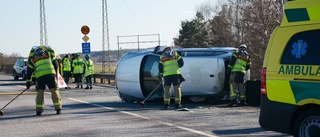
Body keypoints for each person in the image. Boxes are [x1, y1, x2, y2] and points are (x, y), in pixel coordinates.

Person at [26, 47, 62, 115]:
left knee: (40, 92)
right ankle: (58, 109)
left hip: (40, 77)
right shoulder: (49, 54)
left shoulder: (32, 59)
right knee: (54, 91)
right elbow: (56, 64)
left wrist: (28, 82)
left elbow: (29, 72)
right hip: (50, 75)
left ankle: (39, 110)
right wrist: (56, 73)